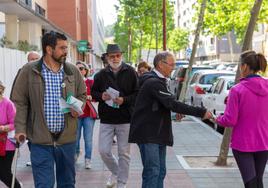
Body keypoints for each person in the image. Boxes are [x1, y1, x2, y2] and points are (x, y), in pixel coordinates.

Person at [11, 31, 87, 188]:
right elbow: (20, 102)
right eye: (62, 48)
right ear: (49, 49)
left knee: (67, 183)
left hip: (67, 139)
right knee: (44, 184)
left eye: (66, 48)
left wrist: (78, 106)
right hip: (40, 140)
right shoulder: (29, 71)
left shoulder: (72, 71)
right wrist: (20, 129)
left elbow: (82, 95)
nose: (66, 51)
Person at [129, 51, 212, 188]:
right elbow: (172, 104)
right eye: (171, 64)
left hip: (157, 133)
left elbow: (158, 105)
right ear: (161, 65)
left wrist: (174, 114)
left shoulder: (159, 81)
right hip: (149, 134)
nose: (173, 67)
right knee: (152, 171)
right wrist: (201, 112)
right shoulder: (153, 82)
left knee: (160, 171)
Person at [215, 50, 268, 188]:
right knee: (258, 180)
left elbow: (230, 120)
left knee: (250, 182)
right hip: (264, 142)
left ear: (244, 66)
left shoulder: (237, 90)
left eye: (240, 65)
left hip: (243, 144)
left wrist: (217, 118)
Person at [91, 44, 139, 188]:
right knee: (104, 151)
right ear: (106, 58)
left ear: (121, 56)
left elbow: (137, 94)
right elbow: (93, 93)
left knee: (124, 153)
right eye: (112, 56)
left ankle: (121, 183)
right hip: (107, 118)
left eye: (118, 55)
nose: (115, 58)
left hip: (125, 118)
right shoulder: (100, 75)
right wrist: (102, 96)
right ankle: (116, 171)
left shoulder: (131, 72)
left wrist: (124, 100)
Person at [0, 81, 22, 188]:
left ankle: (17, 187)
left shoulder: (7, 104)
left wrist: (4, 128)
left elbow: (15, 123)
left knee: (4, 173)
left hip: (7, 144)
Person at [75, 61, 96, 169]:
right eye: (78, 68)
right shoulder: (72, 82)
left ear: (86, 70)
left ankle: (88, 159)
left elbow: (96, 95)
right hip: (76, 114)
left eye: (82, 68)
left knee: (88, 139)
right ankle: (76, 153)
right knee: (76, 138)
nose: (80, 70)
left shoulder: (90, 82)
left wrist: (91, 97)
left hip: (88, 114)